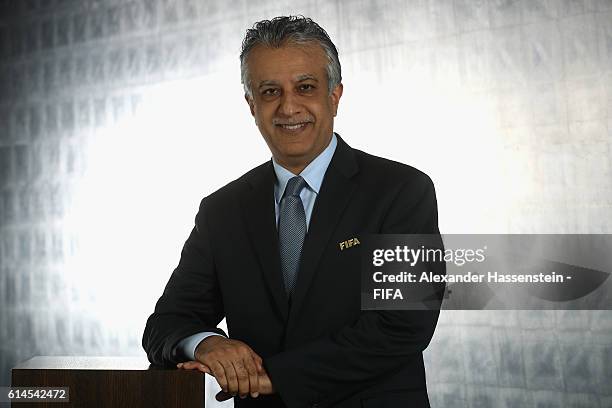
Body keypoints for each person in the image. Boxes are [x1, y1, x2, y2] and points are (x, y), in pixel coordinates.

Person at [143, 15, 442, 408]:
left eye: (305, 87)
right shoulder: (222, 211)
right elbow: (166, 323)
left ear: (334, 95)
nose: (288, 106)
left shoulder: (402, 191)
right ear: (251, 105)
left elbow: (403, 327)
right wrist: (207, 344)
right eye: (269, 91)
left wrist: (275, 378)